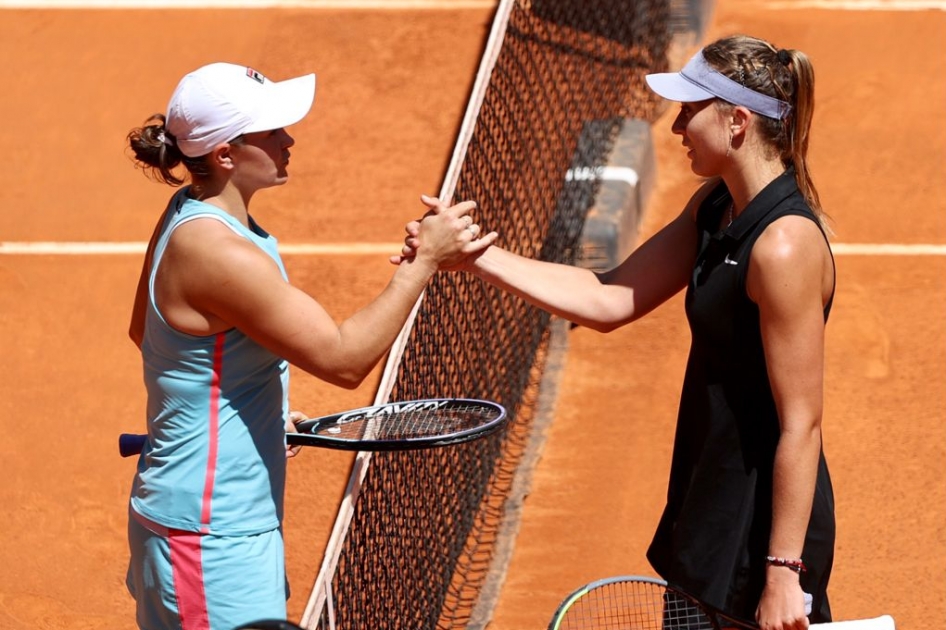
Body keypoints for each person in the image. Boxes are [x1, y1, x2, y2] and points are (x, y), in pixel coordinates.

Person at [403, 35, 836, 630]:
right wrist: (473, 257)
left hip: (759, 529)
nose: (677, 124)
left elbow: (801, 422)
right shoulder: (717, 208)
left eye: (690, 109)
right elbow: (608, 298)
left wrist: (784, 573)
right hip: (704, 505)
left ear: (737, 121)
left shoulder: (784, 246)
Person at [123, 62, 495, 630]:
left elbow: (147, 334)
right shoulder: (217, 252)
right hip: (211, 537)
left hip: (203, 517)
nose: (288, 139)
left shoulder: (189, 213)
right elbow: (343, 360)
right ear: (225, 154)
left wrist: (256, 412)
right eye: (272, 131)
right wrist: (426, 262)